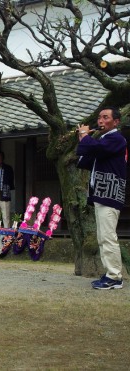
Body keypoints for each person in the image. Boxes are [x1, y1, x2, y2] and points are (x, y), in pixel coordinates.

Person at [77, 107, 127, 290]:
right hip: (102, 193)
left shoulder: (117, 139)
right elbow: (86, 158)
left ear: (116, 122)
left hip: (110, 193)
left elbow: (94, 148)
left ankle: (115, 276)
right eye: (99, 118)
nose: (100, 121)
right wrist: (83, 140)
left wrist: (85, 136)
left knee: (108, 236)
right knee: (103, 236)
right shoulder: (104, 140)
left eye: (105, 117)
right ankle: (110, 273)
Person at [0, 150, 15, 228]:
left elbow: (11, 181)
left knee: (6, 215)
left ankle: (7, 235)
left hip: (4, 193)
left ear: (3, 158)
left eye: (0, 158)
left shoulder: (8, 168)